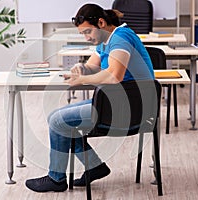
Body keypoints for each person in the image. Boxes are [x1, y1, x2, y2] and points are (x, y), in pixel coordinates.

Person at [25, 3, 154, 193]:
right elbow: (93, 65)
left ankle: (57, 178)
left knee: (57, 120)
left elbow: (114, 75)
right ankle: (94, 167)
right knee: (61, 120)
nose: (86, 38)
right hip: (120, 104)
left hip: (130, 109)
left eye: (88, 32)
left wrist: (82, 79)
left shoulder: (120, 38)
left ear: (101, 22)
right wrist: (81, 68)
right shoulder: (106, 39)